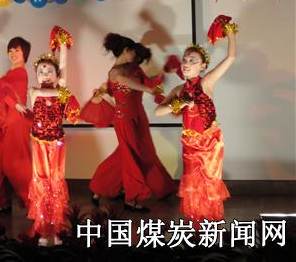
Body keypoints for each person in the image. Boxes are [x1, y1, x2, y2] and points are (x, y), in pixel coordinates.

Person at [155, 16, 237, 226]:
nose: (186, 64)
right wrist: (179, 104)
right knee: (192, 184)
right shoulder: (179, 90)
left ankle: (210, 222)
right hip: (190, 144)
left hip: (209, 142)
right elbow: (158, 112)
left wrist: (231, 34)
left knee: (209, 182)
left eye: (193, 61)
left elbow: (231, 57)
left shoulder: (207, 82)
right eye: (185, 59)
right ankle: (195, 225)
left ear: (203, 66)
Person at [87, 34, 175, 211]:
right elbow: (125, 81)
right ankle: (131, 198)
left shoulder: (135, 68)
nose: (136, 57)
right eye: (134, 53)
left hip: (139, 117)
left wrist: (163, 72)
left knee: (140, 153)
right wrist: (148, 89)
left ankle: (100, 186)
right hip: (124, 119)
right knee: (131, 157)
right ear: (126, 50)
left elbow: (149, 83)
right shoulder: (114, 73)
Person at [26, 27, 80, 246]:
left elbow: (63, 69)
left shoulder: (60, 90)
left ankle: (57, 229)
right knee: (41, 181)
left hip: (57, 141)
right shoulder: (33, 91)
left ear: (57, 75)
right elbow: (44, 92)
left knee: (56, 181)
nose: (45, 74)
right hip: (39, 142)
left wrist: (63, 46)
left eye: (50, 70)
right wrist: (60, 91)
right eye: (41, 71)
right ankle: (42, 228)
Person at [0, 37, 33, 212]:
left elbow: (2, 92)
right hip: (7, 123)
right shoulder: (11, 72)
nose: (13, 53)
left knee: (16, 165)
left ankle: (33, 203)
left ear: (24, 53)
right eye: (10, 50)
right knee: (2, 164)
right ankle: (2, 200)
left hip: (16, 122)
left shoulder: (20, 73)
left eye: (17, 50)